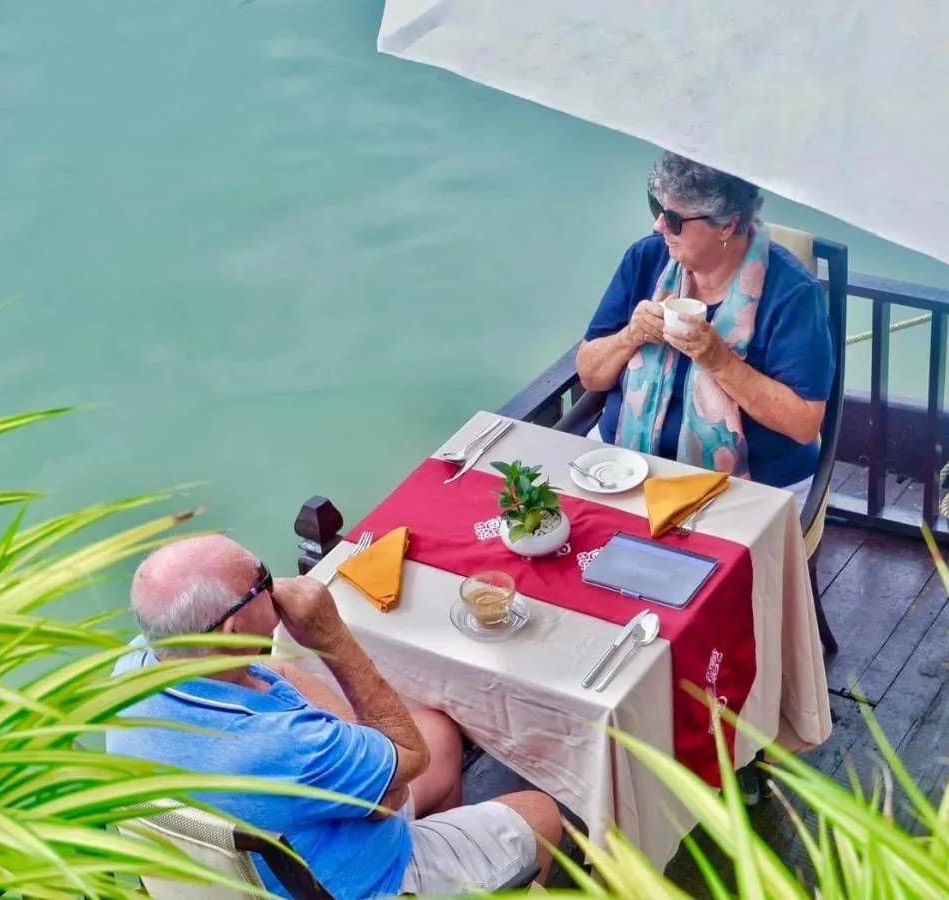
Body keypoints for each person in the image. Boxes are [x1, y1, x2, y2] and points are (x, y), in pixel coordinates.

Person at [105, 534, 562, 899]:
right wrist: (331, 636)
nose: (277, 584)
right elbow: (405, 759)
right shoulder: (284, 747)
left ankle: (438, 839)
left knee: (439, 732)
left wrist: (377, 772)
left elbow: (280, 670)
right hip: (361, 883)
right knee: (540, 813)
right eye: (261, 583)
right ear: (234, 629)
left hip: (276, 863)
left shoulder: (134, 669)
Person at [577, 151, 835, 493]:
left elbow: (804, 424)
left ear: (727, 226)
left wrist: (720, 361)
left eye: (673, 217)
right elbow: (589, 373)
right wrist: (630, 336)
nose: (659, 225)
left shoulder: (793, 293)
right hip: (625, 465)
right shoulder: (646, 258)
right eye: (657, 209)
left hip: (750, 485)